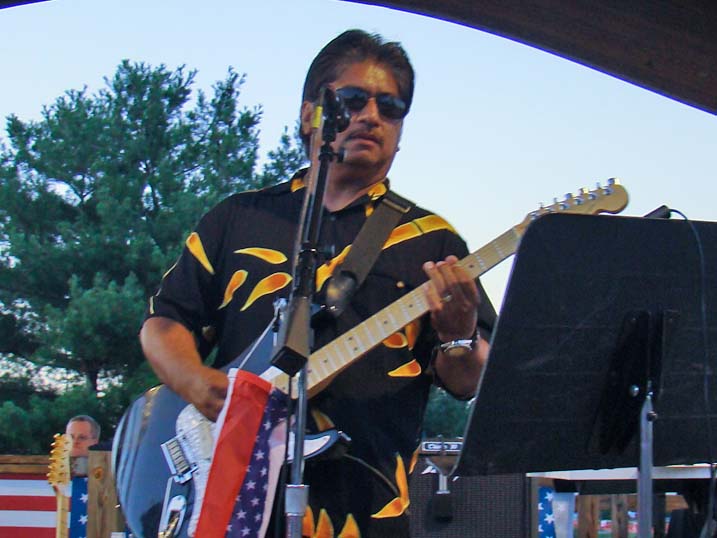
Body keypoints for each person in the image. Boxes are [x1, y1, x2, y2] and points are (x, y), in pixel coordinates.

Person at [140, 29, 496, 537]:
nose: (371, 115)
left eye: (391, 106)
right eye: (352, 99)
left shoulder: (433, 240)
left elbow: (466, 381)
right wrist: (196, 383)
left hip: (369, 511)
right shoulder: (237, 218)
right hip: (232, 501)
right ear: (310, 114)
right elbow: (165, 322)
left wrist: (459, 335)